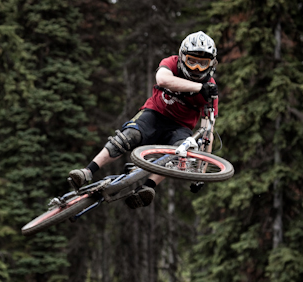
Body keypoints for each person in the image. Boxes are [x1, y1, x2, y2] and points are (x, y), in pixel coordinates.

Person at [68, 30, 219, 209]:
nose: (196, 68)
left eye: (203, 64)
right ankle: (87, 171)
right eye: (191, 61)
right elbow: (162, 79)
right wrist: (198, 87)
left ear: (211, 64)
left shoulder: (211, 89)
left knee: (181, 153)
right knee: (128, 136)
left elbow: (208, 129)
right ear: (181, 57)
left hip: (180, 128)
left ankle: (148, 188)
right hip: (154, 114)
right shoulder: (172, 63)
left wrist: (200, 174)